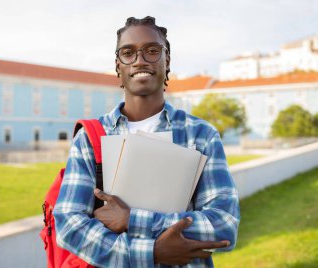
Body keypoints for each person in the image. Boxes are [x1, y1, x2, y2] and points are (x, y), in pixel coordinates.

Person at [54, 16, 240, 267]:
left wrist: (132, 219)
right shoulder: (90, 138)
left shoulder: (200, 135)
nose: (140, 59)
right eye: (128, 53)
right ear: (118, 65)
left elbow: (224, 224)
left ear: (168, 61)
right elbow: (69, 225)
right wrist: (151, 252)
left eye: (152, 51)